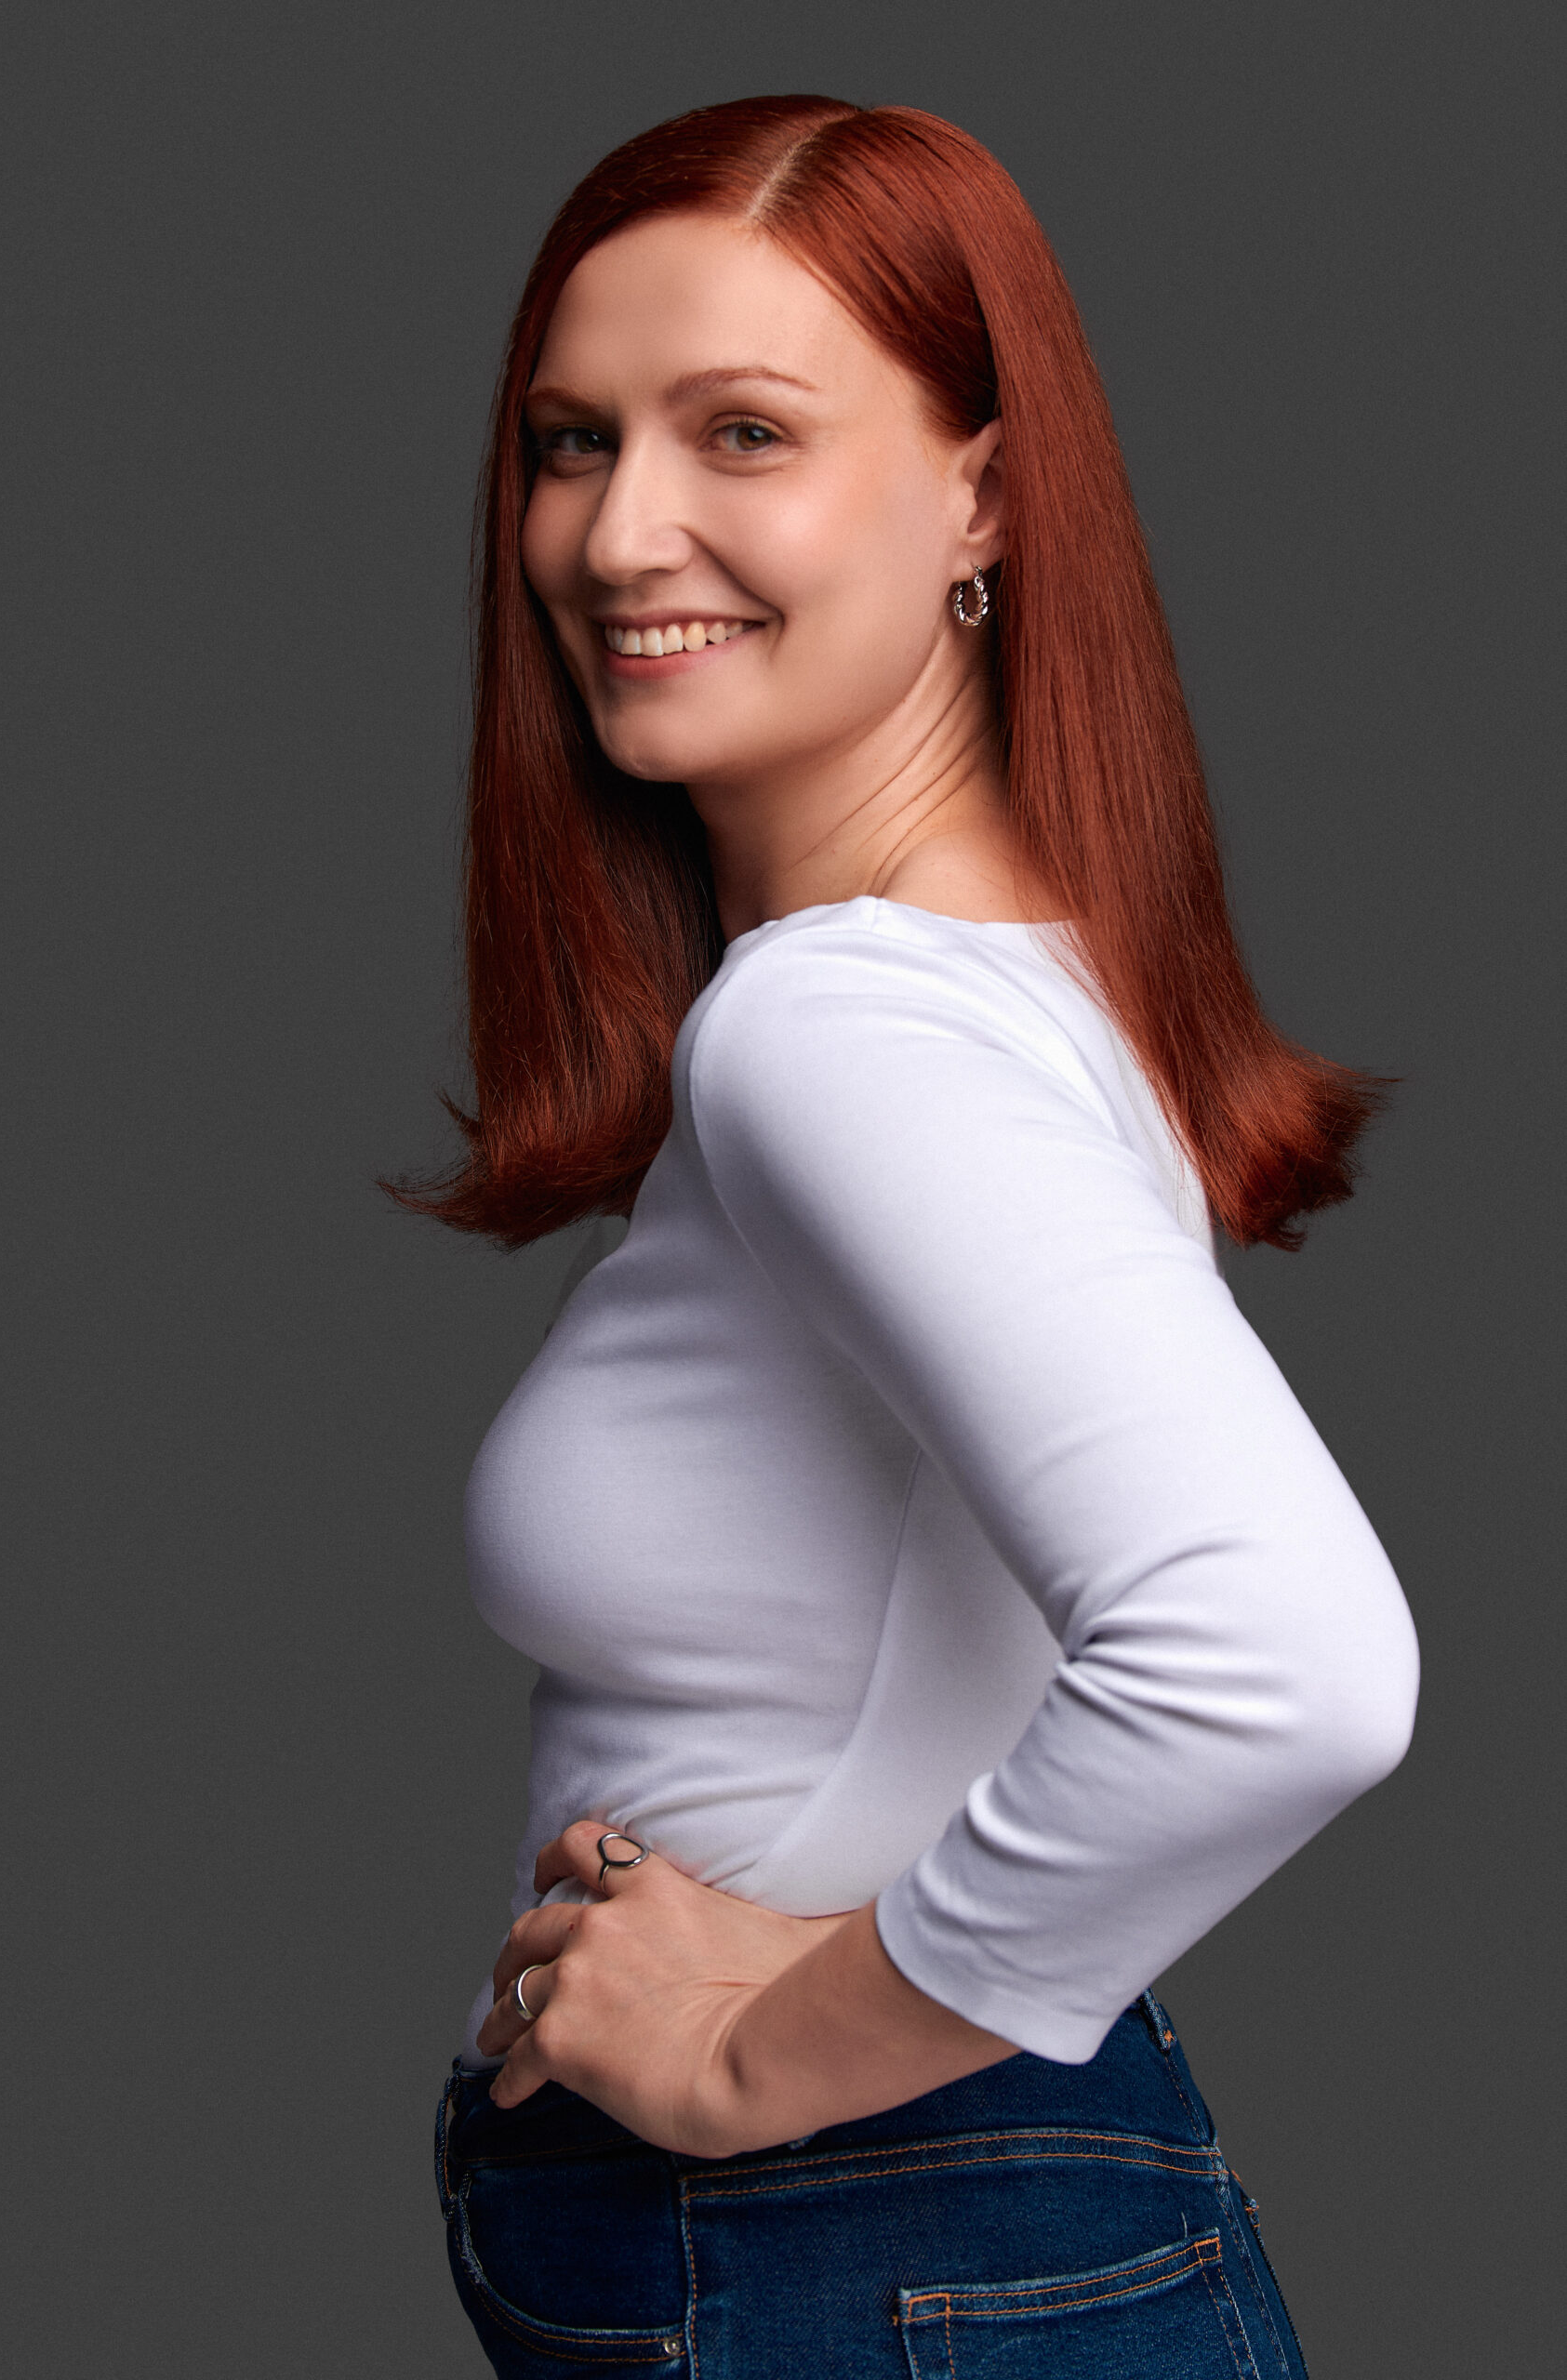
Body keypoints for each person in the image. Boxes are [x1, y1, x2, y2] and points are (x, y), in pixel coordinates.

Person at [413, 96, 1418, 2376]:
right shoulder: (997, 983)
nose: (616, 531)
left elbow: (1281, 1656)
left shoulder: (838, 1026)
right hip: (916, 2237)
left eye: (741, 431)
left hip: (861, 2233)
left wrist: (747, 2055)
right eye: (571, 441)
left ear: (979, 492)